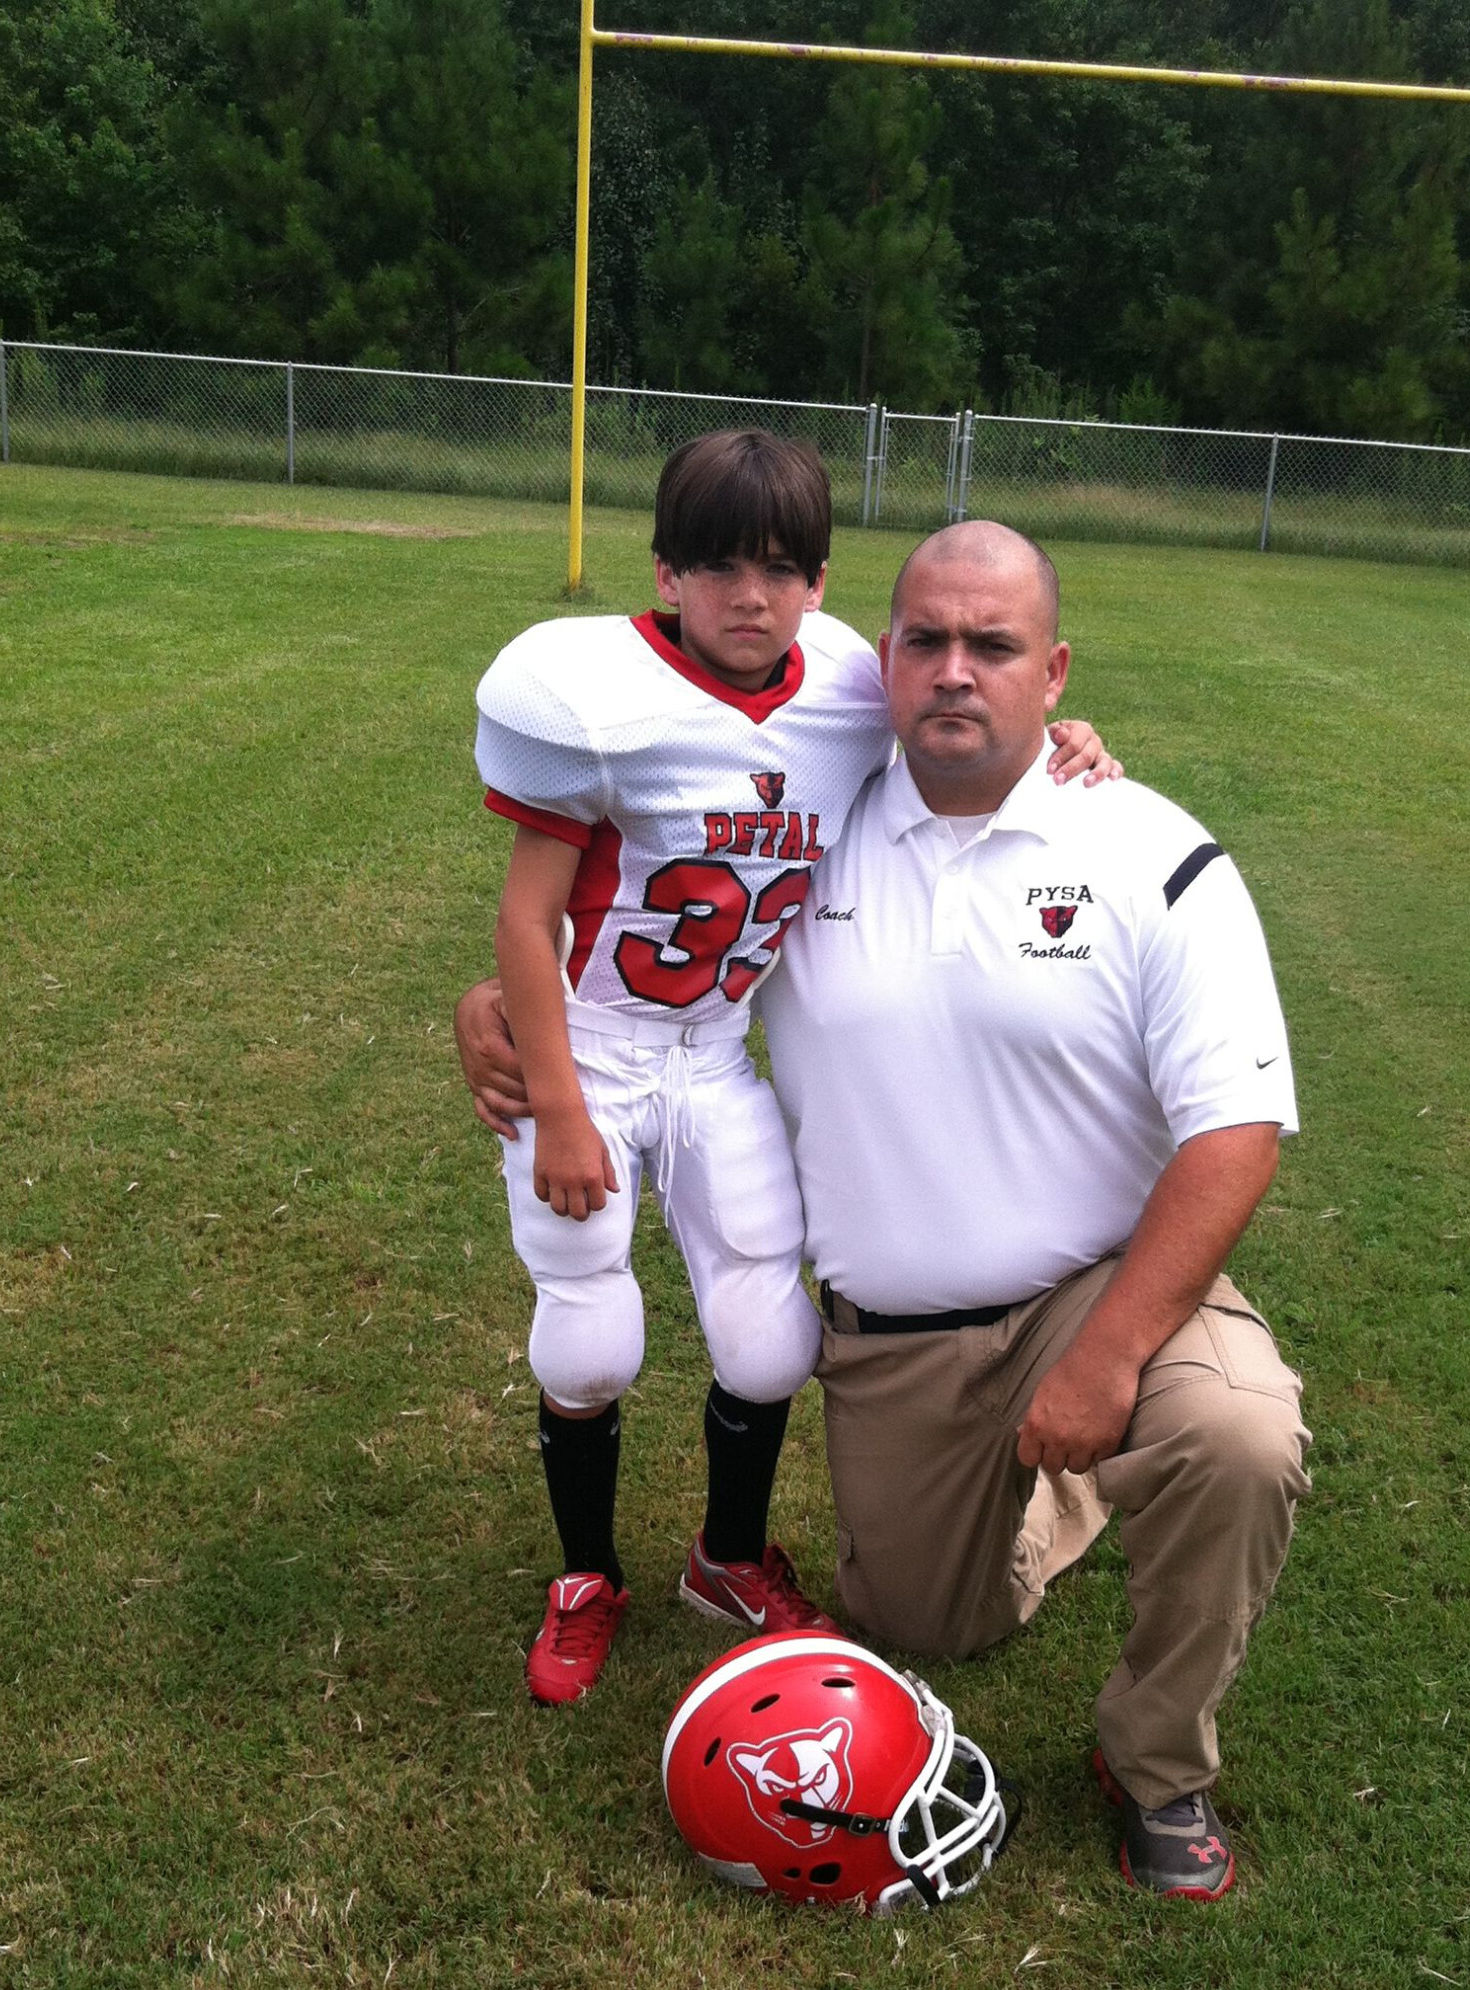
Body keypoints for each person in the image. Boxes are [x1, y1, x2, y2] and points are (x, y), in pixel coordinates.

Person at [460, 519, 1306, 1898]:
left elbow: (1237, 1129)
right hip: (897, 1333)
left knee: (1236, 1435)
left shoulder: (1148, 849)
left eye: (997, 647)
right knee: (923, 1627)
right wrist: (494, 1014)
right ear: (881, 662)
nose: (956, 674)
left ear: (1057, 671)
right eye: (928, 642)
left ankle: (1159, 1765)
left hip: (1095, 1288)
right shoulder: (813, 821)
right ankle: (1064, 1486)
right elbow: (625, 929)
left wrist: (1104, 1358)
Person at [472, 435, 1115, 1706]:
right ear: (663, 570)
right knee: (590, 1341)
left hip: (714, 1048)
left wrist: (1061, 734)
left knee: (769, 1342)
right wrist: (554, 1103)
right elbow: (522, 917)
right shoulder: (587, 692)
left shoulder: (848, 687)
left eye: (779, 567)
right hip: (596, 1044)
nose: (749, 594)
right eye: (715, 565)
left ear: (820, 584)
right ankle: (586, 1574)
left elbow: (961, 719)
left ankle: (721, 1556)